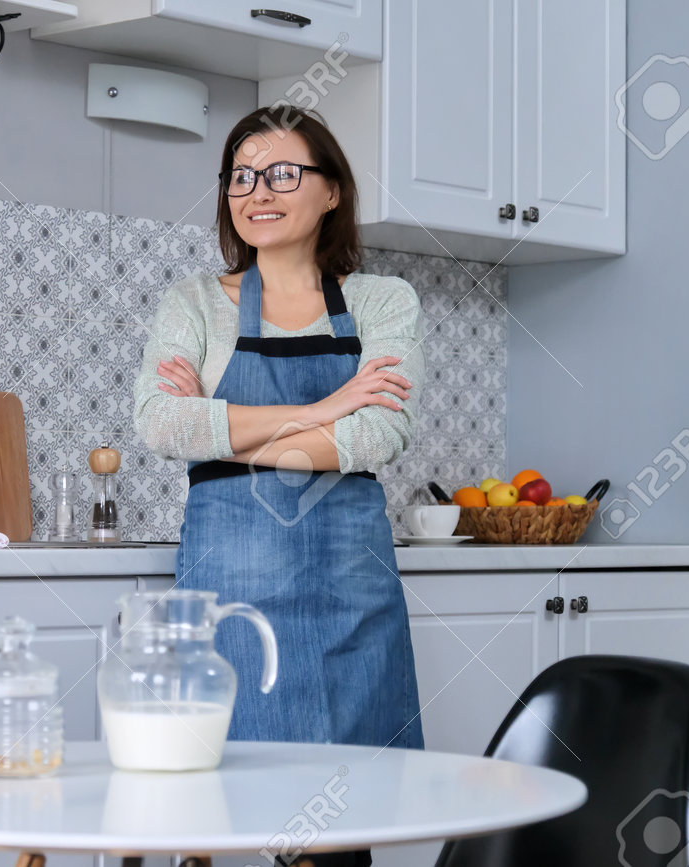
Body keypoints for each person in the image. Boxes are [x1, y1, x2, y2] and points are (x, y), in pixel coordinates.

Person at [133, 105, 425, 867]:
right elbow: (163, 427)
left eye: (284, 173)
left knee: (339, 834)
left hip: (349, 608)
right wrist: (326, 409)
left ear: (331, 190)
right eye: (242, 175)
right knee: (217, 819)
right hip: (233, 610)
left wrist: (228, 424)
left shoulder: (384, 301)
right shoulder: (193, 303)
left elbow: (376, 438)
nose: (258, 190)